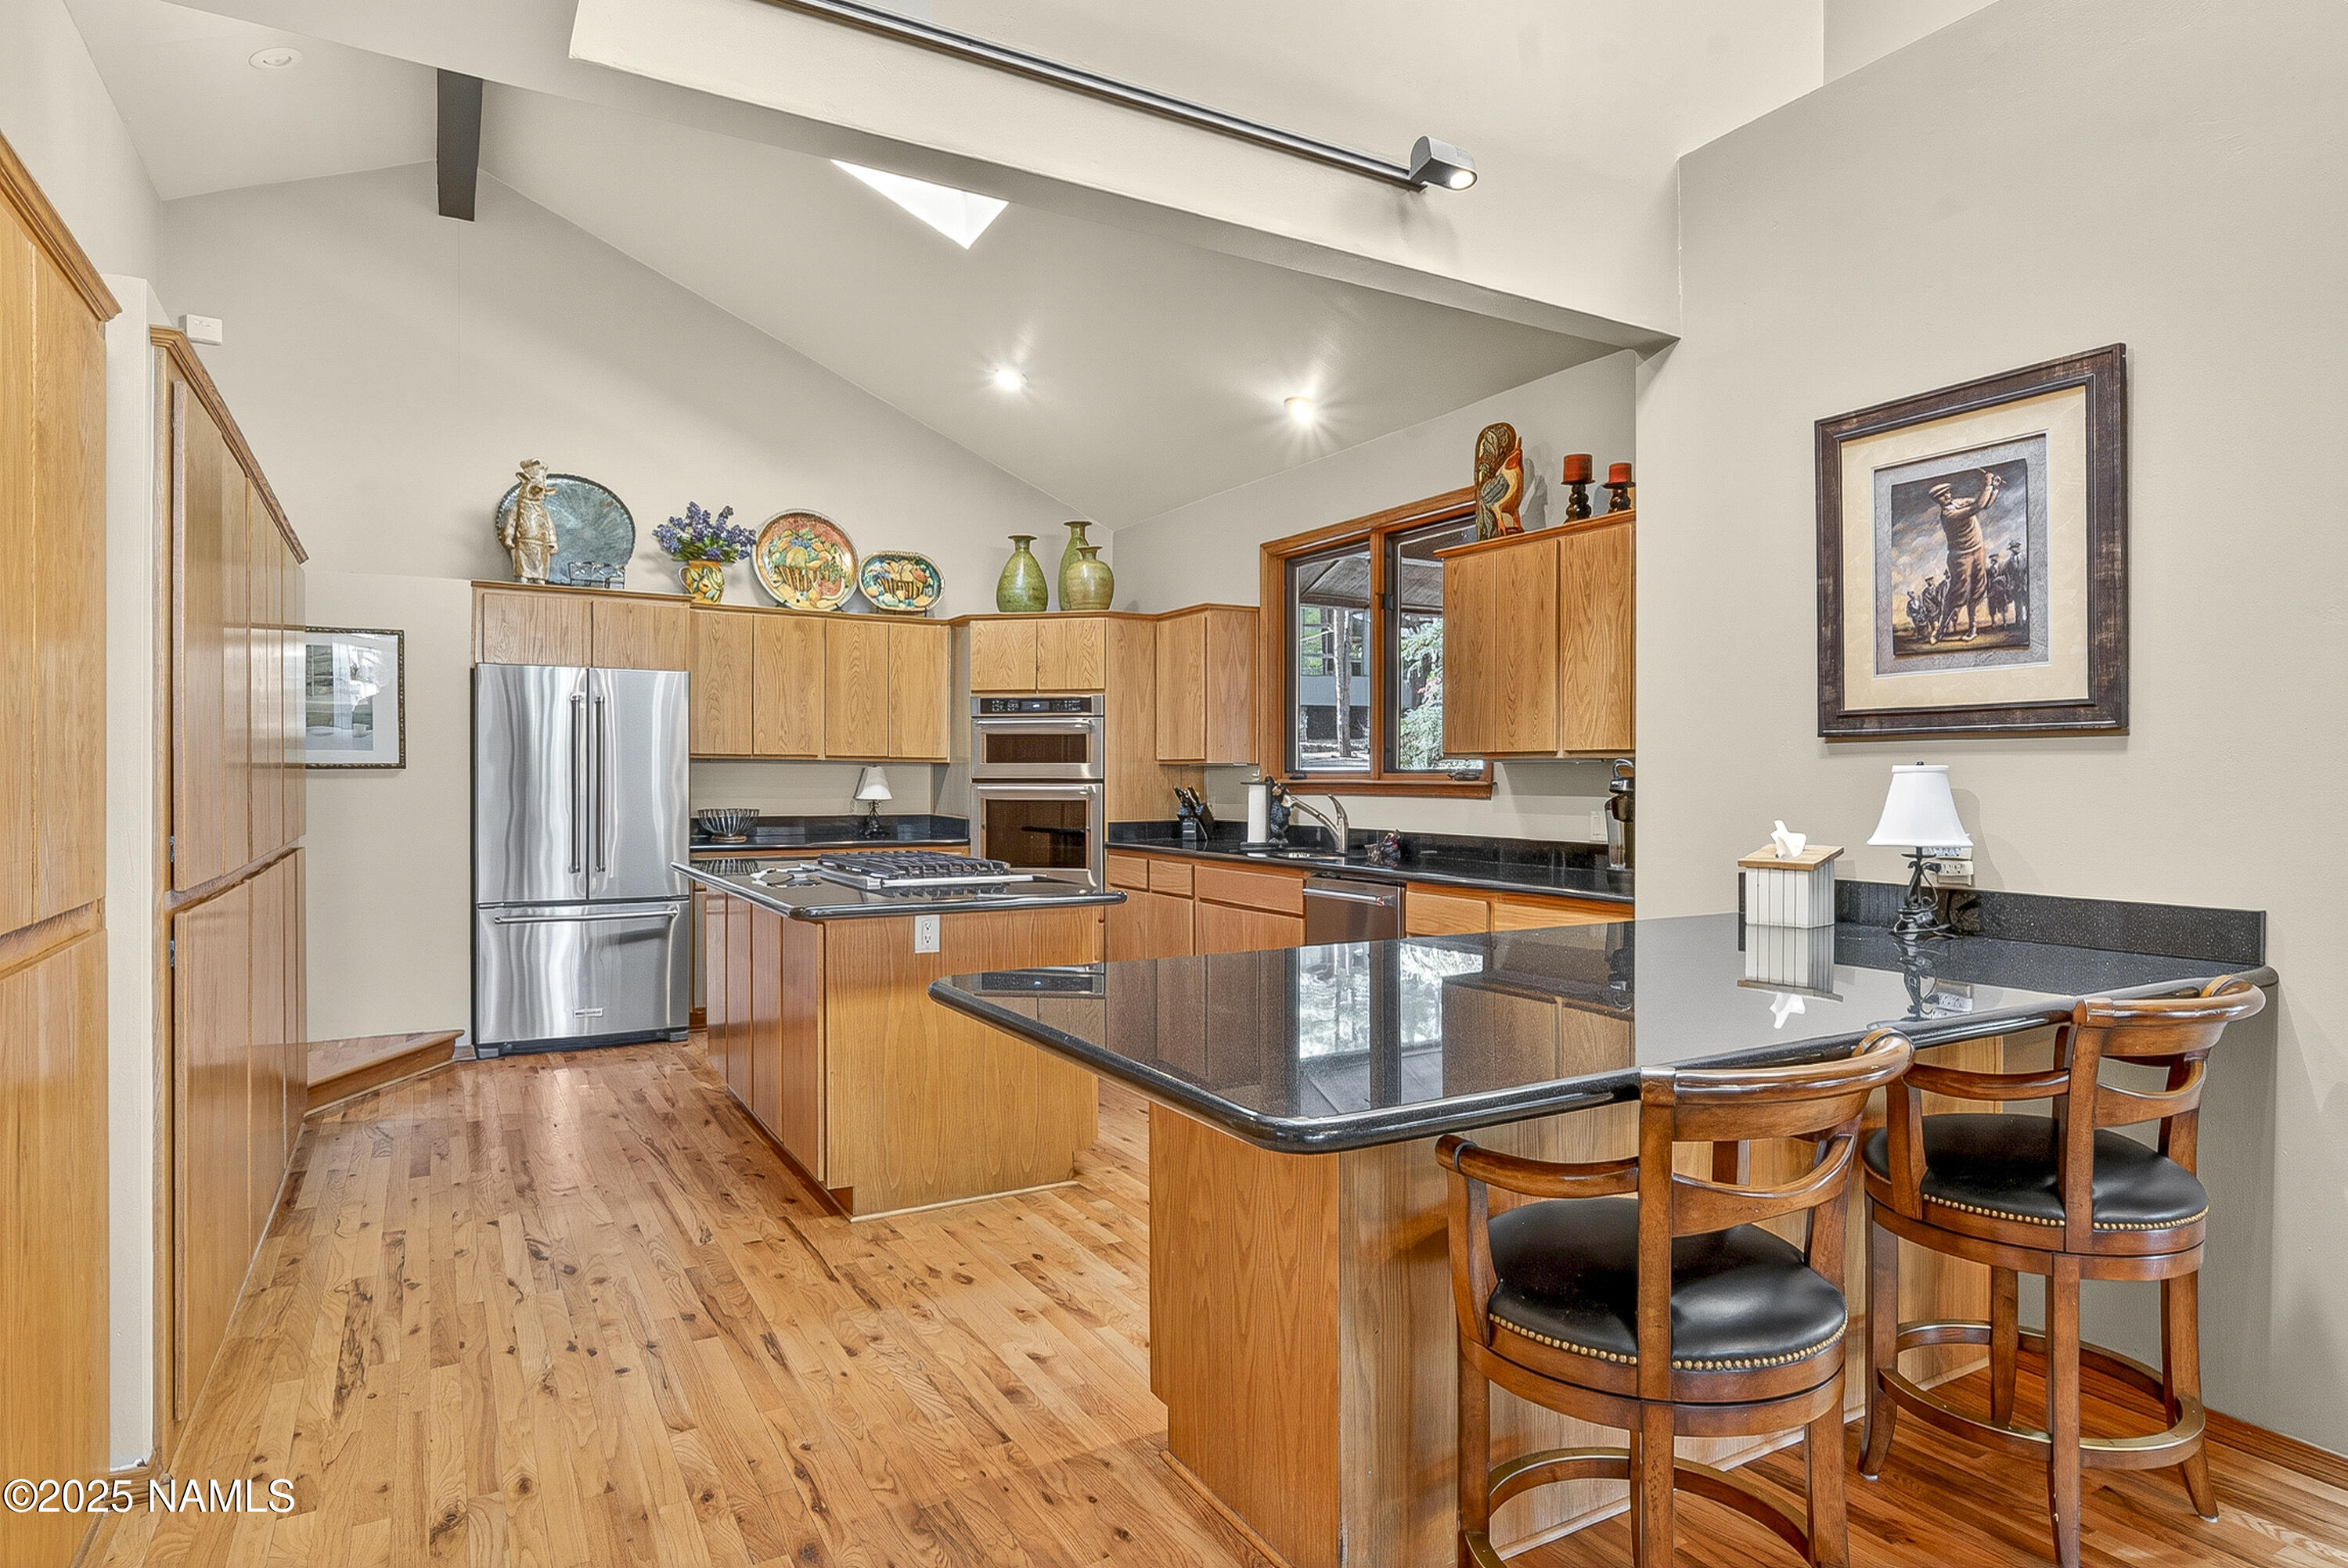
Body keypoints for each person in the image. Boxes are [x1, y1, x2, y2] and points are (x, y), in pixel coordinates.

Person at [1927, 469, 2002, 641]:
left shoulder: (1958, 502)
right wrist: (1987, 484)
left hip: (1978, 551)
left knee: (1977, 590)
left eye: (1947, 492)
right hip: (1961, 557)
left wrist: (1994, 488)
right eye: (1942, 496)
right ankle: (1940, 630)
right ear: (1937, 501)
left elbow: (1984, 503)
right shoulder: (1948, 514)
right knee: (1957, 594)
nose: (1946, 496)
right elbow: (1977, 506)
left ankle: (1972, 628)